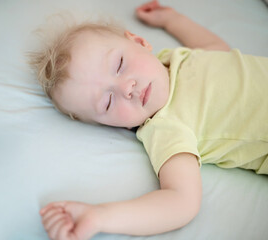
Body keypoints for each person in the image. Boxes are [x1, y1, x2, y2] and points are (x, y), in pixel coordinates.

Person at [29, 0, 268, 239]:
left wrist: (172, 20)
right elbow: (181, 202)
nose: (126, 88)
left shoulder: (174, 59)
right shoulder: (165, 126)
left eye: (120, 65)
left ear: (139, 42)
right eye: (108, 103)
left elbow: (215, 49)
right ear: (113, 126)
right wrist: (100, 216)